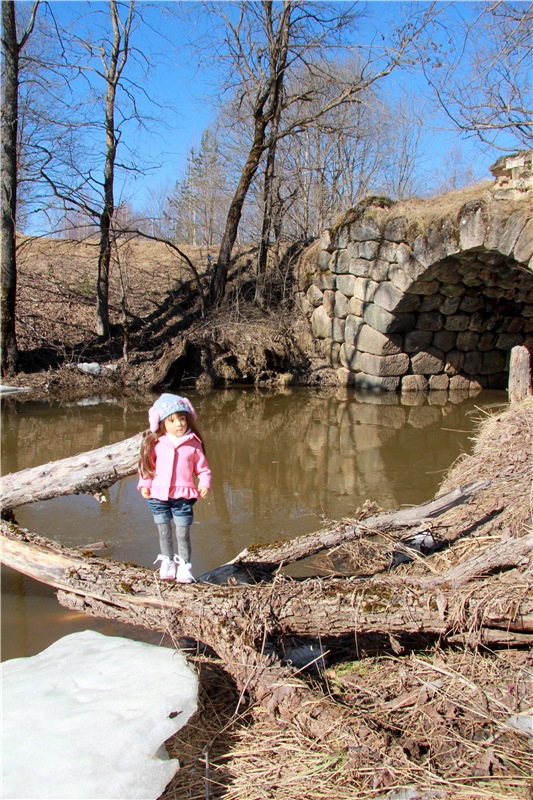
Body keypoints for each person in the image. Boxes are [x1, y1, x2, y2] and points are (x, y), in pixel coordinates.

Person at [138, 393, 211, 583]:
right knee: (164, 531)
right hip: (158, 495)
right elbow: (146, 468)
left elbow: (203, 470)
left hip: (183, 495)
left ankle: (185, 566)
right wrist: (145, 485)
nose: (179, 424)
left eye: (182, 418)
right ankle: (167, 562)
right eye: (172, 420)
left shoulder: (193, 443)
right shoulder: (156, 443)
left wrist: (204, 484)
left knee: (182, 532)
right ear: (162, 422)